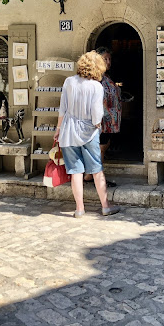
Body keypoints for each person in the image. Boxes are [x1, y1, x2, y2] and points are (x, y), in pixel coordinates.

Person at [53, 51, 120, 218]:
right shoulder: (96, 86)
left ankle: (79, 209)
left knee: (75, 171)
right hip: (89, 131)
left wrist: (58, 129)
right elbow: (97, 114)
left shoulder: (69, 82)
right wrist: (98, 126)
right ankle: (105, 206)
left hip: (68, 130)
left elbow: (63, 108)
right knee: (96, 169)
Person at [84, 46, 121, 187]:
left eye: (109, 59)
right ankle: (96, 177)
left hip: (107, 120)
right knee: (100, 148)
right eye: (105, 58)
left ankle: (89, 175)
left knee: (102, 147)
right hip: (100, 121)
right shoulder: (95, 77)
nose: (108, 61)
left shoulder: (105, 76)